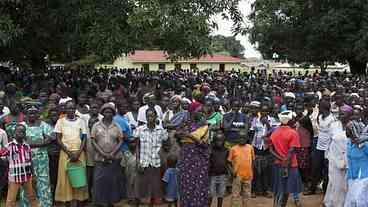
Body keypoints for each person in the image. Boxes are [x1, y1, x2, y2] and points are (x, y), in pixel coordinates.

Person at [54, 101, 89, 206]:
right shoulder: (60, 121)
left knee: (79, 177)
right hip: (66, 153)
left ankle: (79, 201)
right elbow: (58, 139)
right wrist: (69, 152)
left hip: (79, 153)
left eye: (73, 108)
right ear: (65, 109)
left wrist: (78, 152)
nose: (71, 110)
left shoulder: (81, 121)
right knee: (66, 178)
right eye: (69, 108)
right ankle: (67, 201)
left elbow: (84, 138)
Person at [91, 103, 125, 206]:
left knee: (112, 180)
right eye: (106, 112)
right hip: (99, 158)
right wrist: (102, 153)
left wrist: (112, 153)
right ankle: (100, 202)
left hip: (114, 158)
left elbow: (120, 140)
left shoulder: (117, 126)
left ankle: (111, 201)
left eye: (110, 112)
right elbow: (93, 141)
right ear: (102, 113)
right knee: (99, 180)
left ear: (113, 114)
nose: (108, 114)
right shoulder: (96, 125)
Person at [19, 105, 53, 207]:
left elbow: (49, 139)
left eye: (35, 113)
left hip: (42, 159)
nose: (33, 115)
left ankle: (45, 204)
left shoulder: (44, 125)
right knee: (26, 181)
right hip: (25, 159)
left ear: (38, 114)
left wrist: (30, 143)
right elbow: (20, 141)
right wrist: (40, 142)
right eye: (30, 113)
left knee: (43, 180)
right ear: (26, 114)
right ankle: (27, 204)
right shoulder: (22, 125)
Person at [176, 103, 210, 207]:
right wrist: (182, 138)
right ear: (192, 111)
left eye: (201, 111)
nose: (201, 113)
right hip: (186, 158)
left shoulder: (204, 126)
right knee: (186, 183)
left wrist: (190, 137)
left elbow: (205, 144)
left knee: (199, 183)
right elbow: (177, 136)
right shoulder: (185, 124)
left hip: (199, 158)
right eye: (198, 111)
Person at [134, 108, 168, 207]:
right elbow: (137, 146)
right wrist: (137, 161)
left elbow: (167, 143)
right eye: (148, 116)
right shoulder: (140, 129)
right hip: (143, 162)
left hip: (156, 162)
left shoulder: (161, 130)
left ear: (156, 117)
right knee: (140, 189)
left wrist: (162, 156)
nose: (150, 118)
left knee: (154, 189)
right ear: (145, 117)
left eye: (152, 116)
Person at [269, 111, 303, 207]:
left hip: (278, 164)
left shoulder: (274, 132)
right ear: (289, 121)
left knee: (278, 189)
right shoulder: (293, 133)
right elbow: (291, 150)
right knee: (287, 190)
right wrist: (285, 161)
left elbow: (271, 150)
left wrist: (280, 158)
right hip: (290, 165)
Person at [0, 124, 39, 207]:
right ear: (14, 133)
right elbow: (1, 153)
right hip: (14, 177)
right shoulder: (9, 146)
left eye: (23, 132)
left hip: (27, 176)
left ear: (25, 134)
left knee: (32, 196)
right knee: (11, 200)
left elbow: (30, 161)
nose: (21, 133)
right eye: (18, 132)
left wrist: (33, 174)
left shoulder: (27, 146)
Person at [324, 106, 351, 207]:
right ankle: (334, 203)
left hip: (348, 158)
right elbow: (329, 141)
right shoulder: (333, 125)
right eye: (339, 113)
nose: (340, 115)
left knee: (346, 183)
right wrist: (327, 156)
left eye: (343, 113)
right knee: (335, 182)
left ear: (349, 115)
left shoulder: (353, 126)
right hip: (334, 158)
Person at [343, 108, 368, 207]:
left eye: (350, 131)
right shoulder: (349, 143)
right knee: (351, 200)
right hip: (352, 176)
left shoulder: (365, 144)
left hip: (363, 176)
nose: (348, 133)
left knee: (360, 200)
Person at [228, 130, 255, 207]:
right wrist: (232, 171)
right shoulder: (233, 149)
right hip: (237, 175)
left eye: (243, 138)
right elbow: (229, 162)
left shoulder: (250, 148)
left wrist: (251, 171)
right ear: (237, 138)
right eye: (240, 138)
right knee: (235, 195)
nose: (241, 140)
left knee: (247, 194)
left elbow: (252, 161)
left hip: (248, 175)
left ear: (246, 138)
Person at [209, 131, 229, 207]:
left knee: (221, 194)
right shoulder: (211, 150)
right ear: (214, 141)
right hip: (212, 175)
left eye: (220, 141)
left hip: (222, 175)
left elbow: (228, 162)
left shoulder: (226, 150)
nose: (219, 142)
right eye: (217, 140)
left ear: (223, 141)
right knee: (210, 194)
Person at [121, 138, 138, 205]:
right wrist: (123, 174)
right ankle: (130, 199)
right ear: (128, 145)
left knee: (136, 186)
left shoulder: (139, 153)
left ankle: (136, 199)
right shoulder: (126, 153)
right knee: (129, 186)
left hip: (137, 173)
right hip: (128, 173)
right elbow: (123, 165)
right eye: (130, 143)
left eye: (133, 142)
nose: (132, 144)